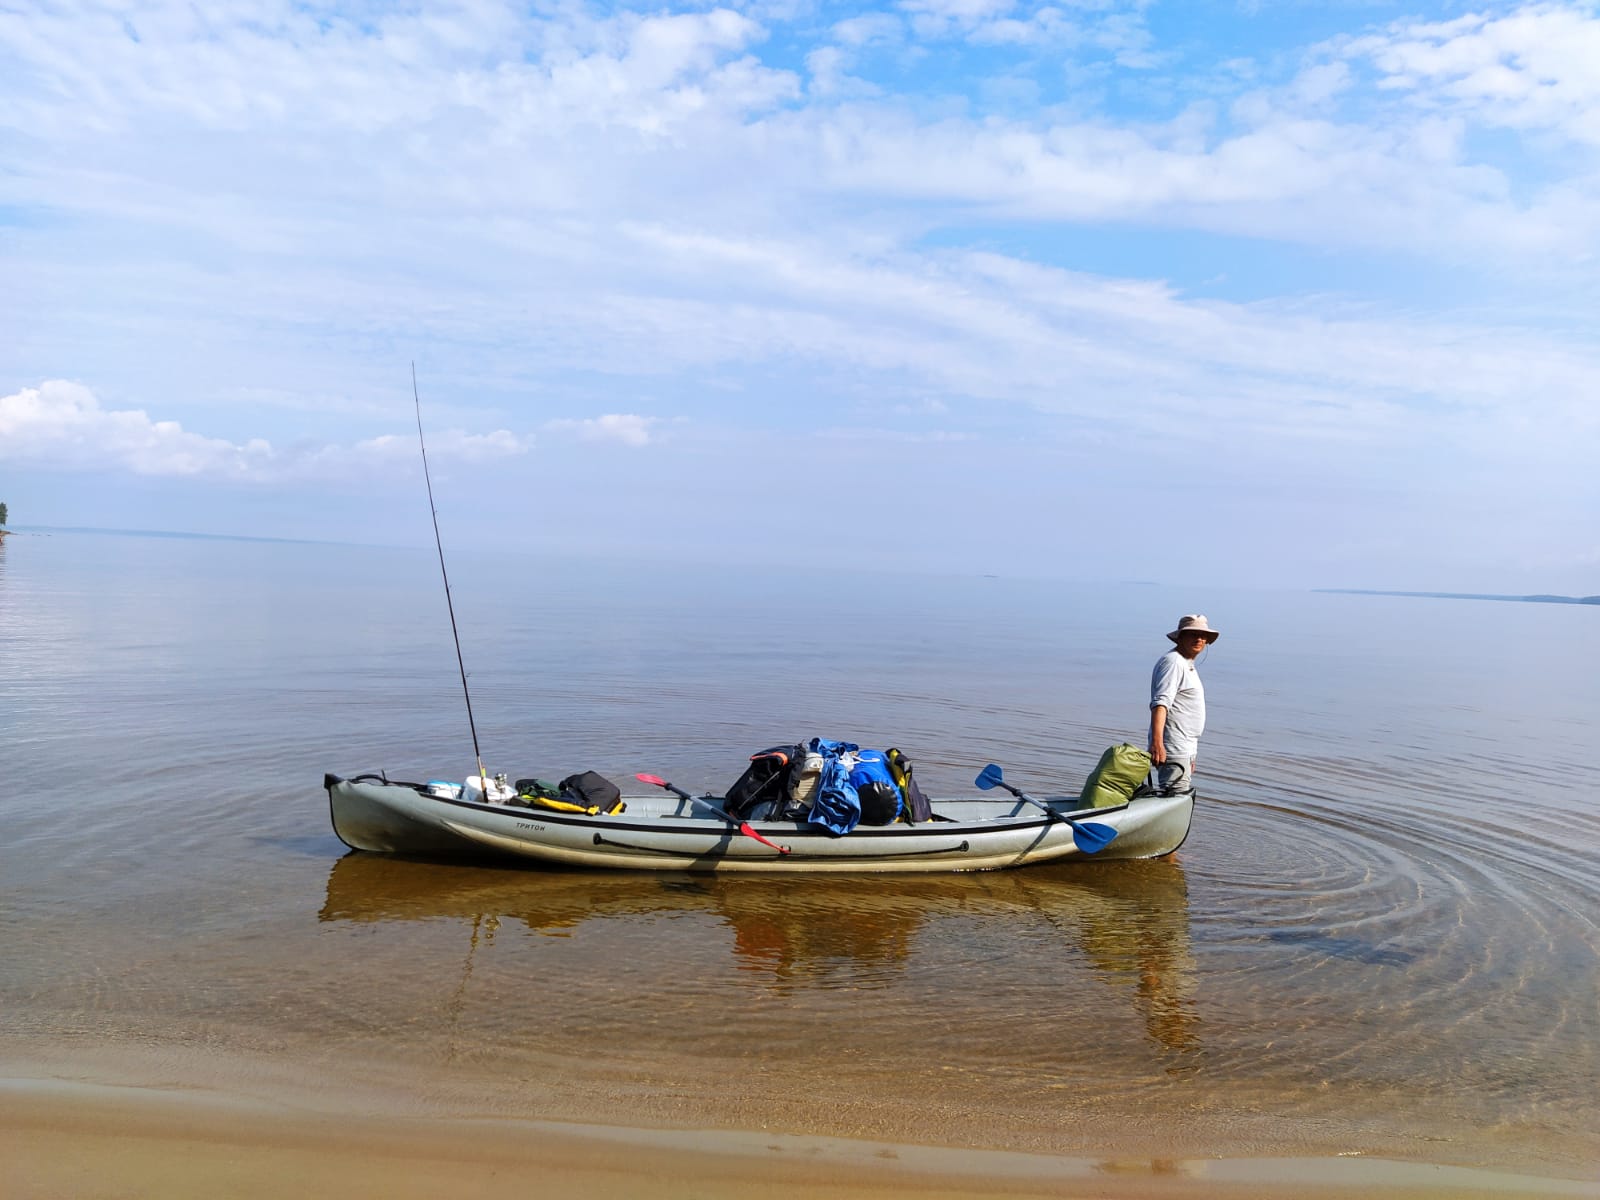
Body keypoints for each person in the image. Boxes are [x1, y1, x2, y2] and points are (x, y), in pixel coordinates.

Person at [1149, 614, 1218, 793]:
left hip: (1184, 748)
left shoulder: (1186, 663)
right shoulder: (1173, 662)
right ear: (1180, 637)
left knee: (1175, 798)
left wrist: (1191, 754)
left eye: (1203, 635)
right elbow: (1160, 703)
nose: (1199, 639)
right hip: (1174, 748)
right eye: (1193, 634)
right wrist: (1157, 743)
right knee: (1174, 798)